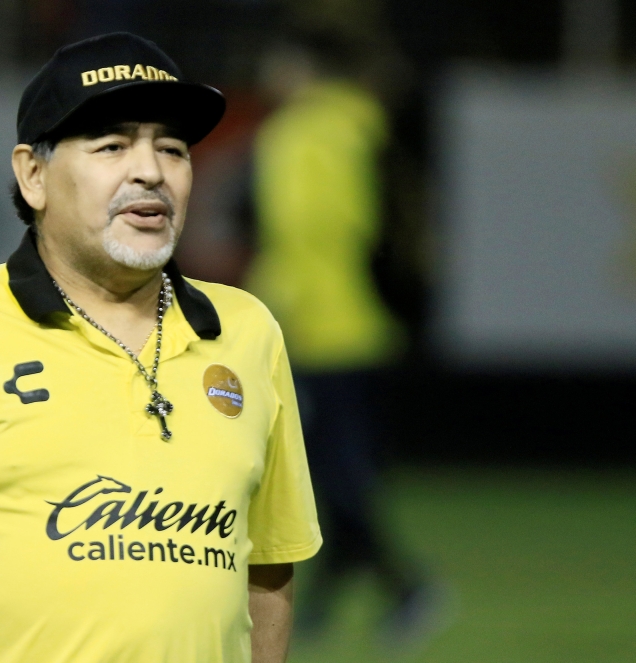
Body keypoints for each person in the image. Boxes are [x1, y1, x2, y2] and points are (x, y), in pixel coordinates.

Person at [0, 32, 321, 663]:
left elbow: (268, 563)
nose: (151, 171)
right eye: (112, 145)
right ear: (33, 175)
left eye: (172, 149)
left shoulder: (248, 332)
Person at [245, 29, 435, 645]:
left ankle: (407, 587)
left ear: (303, 68)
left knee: (334, 471)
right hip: (366, 321)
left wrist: (275, 312)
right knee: (332, 468)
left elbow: (304, 229)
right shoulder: (363, 127)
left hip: (317, 327)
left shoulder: (297, 133)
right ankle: (330, 601)